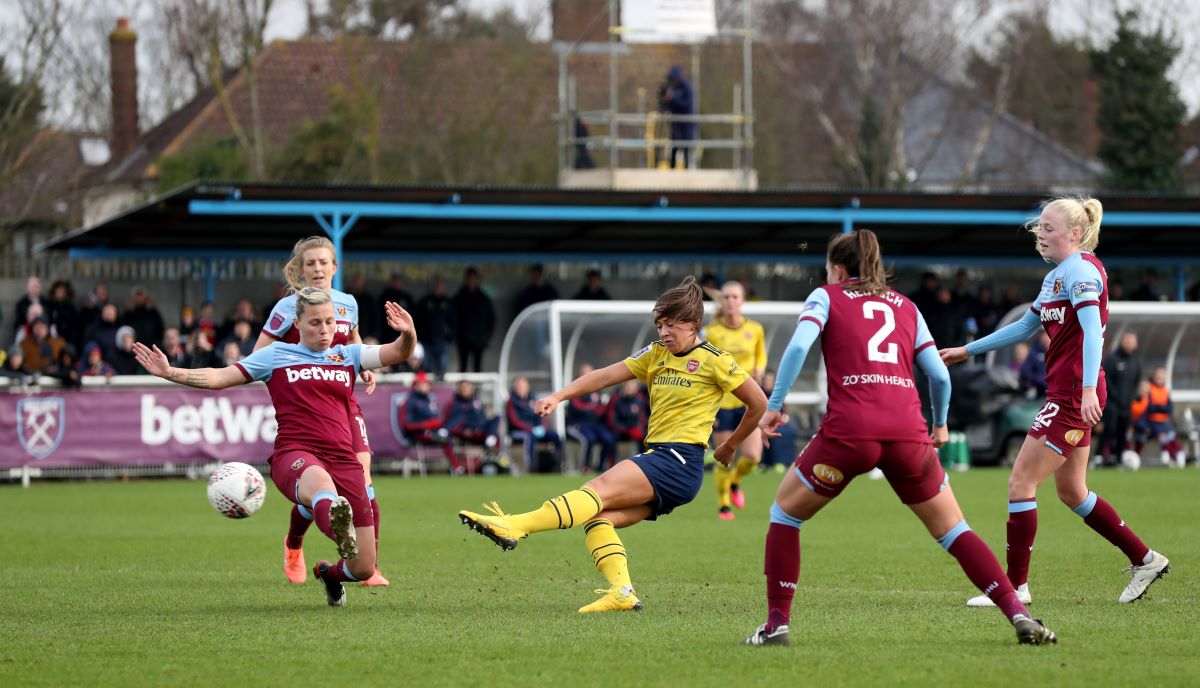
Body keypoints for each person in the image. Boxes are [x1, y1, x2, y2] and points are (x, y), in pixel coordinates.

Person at [745, 229, 1055, 648]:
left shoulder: (826, 296)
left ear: (837, 269)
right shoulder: (906, 307)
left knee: (785, 515)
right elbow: (940, 373)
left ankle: (776, 625)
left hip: (849, 431)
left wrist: (775, 404)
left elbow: (799, 347)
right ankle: (1018, 614)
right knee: (954, 530)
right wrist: (940, 423)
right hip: (909, 433)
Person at [459, 277, 767, 613]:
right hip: (664, 459)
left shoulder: (715, 360)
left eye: (672, 325)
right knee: (598, 517)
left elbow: (758, 403)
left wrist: (730, 445)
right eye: (660, 324)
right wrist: (559, 396)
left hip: (679, 458)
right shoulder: (655, 353)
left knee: (596, 489)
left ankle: (514, 525)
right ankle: (622, 592)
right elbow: (605, 376)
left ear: (693, 324)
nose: (664, 332)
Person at [940, 197, 1170, 608]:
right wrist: (967, 350)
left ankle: (1014, 588)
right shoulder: (1058, 276)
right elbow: (1026, 327)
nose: (1039, 235)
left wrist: (1083, 393)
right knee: (1073, 491)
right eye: (1039, 228)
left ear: (1075, 234)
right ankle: (1146, 559)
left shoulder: (1081, 271)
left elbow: (1094, 334)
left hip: (1070, 397)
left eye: (1047, 228)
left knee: (1020, 482)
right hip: (1068, 393)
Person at [135, 288, 417, 607]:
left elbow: (398, 352)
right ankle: (341, 532)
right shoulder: (276, 356)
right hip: (296, 454)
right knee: (323, 489)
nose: (325, 329)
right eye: (315, 323)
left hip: (343, 459)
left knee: (363, 567)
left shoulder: (348, 355)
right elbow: (218, 377)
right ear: (297, 322)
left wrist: (408, 333)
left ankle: (330, 574)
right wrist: (169, 371)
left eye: (329, 322)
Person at [255, 236, 389, 588]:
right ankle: (294, 543)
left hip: (344, 401)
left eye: (322, 262)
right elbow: (259, 353)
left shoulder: (348, 304)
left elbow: (355, 341)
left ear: (334, 267)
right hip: (309, 401)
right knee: (318, 485)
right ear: (299, 270)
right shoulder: (287, 309)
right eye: (309, 264)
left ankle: (367, 565)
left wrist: (364, 367)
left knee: (364, 480)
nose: (316, 269)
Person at [704, 280, 767, 520]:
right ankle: (723, 505)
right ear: (722, 301)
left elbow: (761, 354)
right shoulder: (711, 332)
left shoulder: (755, 329)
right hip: (722, 403)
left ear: (742, 301)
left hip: (748, 401)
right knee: (724, 458)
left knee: (752, 457)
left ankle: (735, 483)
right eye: (727, 297)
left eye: (735, 297)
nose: (730, 301)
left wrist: (759, 369)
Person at [400, 371, 463, 473]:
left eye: (426, 384)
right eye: (422, 384)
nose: (425, 387)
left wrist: (435, 425)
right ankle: (456, 466)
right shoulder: (410, 402)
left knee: (451, 428)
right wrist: (426, 425)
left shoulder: (429, 400)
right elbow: (407, 425)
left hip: (433, 431)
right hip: (418, 434)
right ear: (415, 386)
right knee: (444, 438)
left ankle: (456, 466)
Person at [1098, 332, 1142, 467]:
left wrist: (1132, 396)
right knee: (1109, 429)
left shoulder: (1136, 362)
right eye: (1127, 340)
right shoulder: (1112, 359)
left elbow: (1136, 382)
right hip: (1112, 403)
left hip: (1127, 405)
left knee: (1123, 431)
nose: (1129, 343)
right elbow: (1105, 380)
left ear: (1135, 344)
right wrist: (1114, 395)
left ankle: (1118, 458)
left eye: (1132, 341)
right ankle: (1099, 456)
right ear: (1122, 341)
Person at [565, 363, 617, 473]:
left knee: (608, 439)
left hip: (594, 425)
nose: (587, 375)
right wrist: (593, 405)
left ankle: (600, 467)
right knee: (588, 439)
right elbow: (579, 408)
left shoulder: (598, 389)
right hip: (577, 424)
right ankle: (584, 467)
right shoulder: (574, 389)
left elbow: (601, 410)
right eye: (584, 373)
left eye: (589, 373)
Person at [506, 376, 563, 472]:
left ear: (527, 387)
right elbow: (514, 421)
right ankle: (530, 467)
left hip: (536, 430)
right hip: (519, 431)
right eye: (518, 386)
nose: (520, 388)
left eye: (522, 386)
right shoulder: (511, 402)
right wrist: (530, 428)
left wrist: (543, 427)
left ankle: (559, 464)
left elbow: (542, 415)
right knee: (530, 436)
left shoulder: (533, 400)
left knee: (555, 435)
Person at [451, 267, 495, 373]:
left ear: (477, 280)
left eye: (473, 278)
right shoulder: (459, 298)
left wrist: (486, 337)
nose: (471, 281)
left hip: (479, 340)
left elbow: (491, 320)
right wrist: (455, 335)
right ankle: (462, 390)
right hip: (463, 339)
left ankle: (476, 390)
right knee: (463, 367)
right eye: (469, 278)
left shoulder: (484, 299)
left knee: (477, 368)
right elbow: (452, 319)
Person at [1141, 367, 1186, 468]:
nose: (1160, 380)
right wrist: (1161, 407)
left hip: (1164, 421)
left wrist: (1159, 407)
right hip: (1152, 421)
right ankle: (1166, 454)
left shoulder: (1165, 390)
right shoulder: (1150, 388)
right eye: (1158, 377)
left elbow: (1169, 408)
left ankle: (1178, 453)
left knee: (1171, 435)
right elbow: (1150, 408)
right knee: (1163, 436)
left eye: (1162, 378)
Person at [444, 379, 500, 451]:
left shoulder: (476, 400)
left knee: (497, 418)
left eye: (467, 387)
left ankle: (491, 442)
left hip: (482, 427)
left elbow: (482, 416)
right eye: (463, 388)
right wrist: (462, 430)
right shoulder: (454, 403)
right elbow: (453, 420)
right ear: (459, 389)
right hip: (468, 428)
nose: (465, 389)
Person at [414, 276, 453, 377]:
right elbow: (418, 320)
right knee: (426, 367)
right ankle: (425, 389)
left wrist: (450, 337)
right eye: (436, 286)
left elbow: (453, 322)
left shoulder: (447, 303)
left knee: (442, 368)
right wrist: (420, 336)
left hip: (442, 341)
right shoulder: (425, 302)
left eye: (439, 286)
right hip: (427, 341)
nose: (437, 288)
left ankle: (440, 390)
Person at [659, 66, 695, 169]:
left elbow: (686, 104)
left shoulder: (687, 88)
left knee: (686, 150)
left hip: (686, 125)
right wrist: (666, 101)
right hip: (675, 124)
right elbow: (669, 106)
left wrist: (673, 98)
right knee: (674, 148)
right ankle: (672, 170)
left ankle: (688, 172)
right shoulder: (672, 88)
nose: (672, 82)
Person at [605, 379, 648, 453]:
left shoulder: (640, 399)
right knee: (610, 440)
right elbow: (611, 420)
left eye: (632, 384)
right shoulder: (616, 397)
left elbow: (642, 418)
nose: (629, 387)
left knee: (645, 438)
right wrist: (626, 429)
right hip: (619, 430)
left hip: (633, 429)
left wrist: (639, 428)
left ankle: (642, 462)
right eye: (628, 384)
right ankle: (609, 464)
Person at [122, 286, 165, 351]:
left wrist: (156, 344)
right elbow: (124, 330)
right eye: (137, 295)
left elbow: (160, 329)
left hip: (151, 346)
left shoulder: (153, 312)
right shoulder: (128, 313)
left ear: (145, 297)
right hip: (134, 347)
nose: (139, 298)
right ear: (133, 297)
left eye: (141, 295)